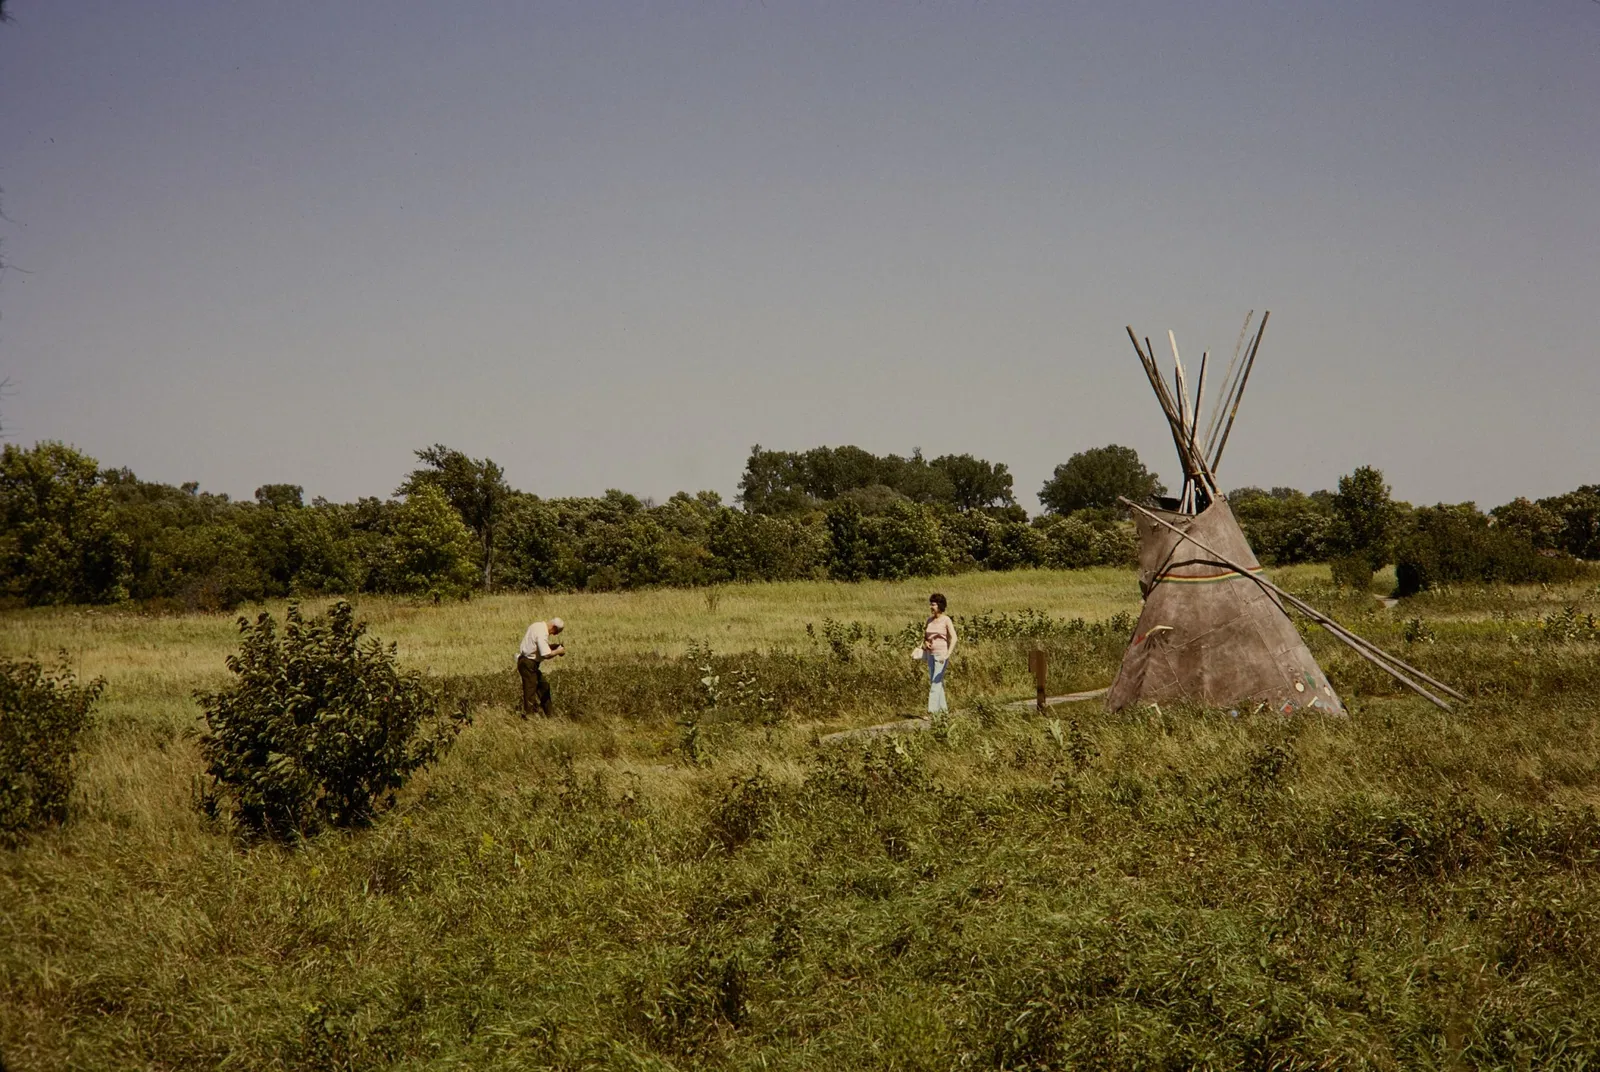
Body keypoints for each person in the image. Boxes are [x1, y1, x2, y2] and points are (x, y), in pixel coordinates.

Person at [915, 593, 957, 714]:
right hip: (930, 654)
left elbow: (954, 637)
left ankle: (932, 710)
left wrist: (948, 653)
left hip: (941, 655)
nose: (931, 607)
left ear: (940, 606)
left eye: (933, 604)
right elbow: (926, 636)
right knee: (937, 682)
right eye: (931, 604)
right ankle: (943, 712)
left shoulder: (946, 620)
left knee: (935, 682)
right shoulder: (929, 620)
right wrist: (926, 642)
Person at [516, 616, 566, 718]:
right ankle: (528, 719)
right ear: (554, 627)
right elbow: (546, 654)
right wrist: (558, 651)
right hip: (529, 664)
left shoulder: (536, 626)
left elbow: (536, 647)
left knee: (544, 686)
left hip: (525, 661)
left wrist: (553, 646)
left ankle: (551, 716)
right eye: (556, 632)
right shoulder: (542, 634)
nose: (555, 634)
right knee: (530, 692)